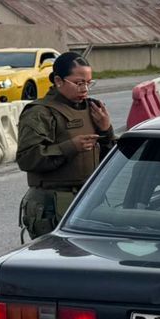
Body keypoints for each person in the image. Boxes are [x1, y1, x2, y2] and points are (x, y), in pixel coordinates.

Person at [16, 51, 115, 239]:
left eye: (88, 83)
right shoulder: (40, 113)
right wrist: (71, 147)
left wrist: (105, 131)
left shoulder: (93, 109)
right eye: (79, 83)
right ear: (59, 81)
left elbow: (110, 161)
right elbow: (27, 159)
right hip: (52, 204)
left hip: (89, 199)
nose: (85, 89)